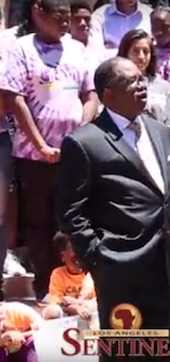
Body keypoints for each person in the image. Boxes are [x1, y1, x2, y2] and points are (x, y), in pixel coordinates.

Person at [55, 57, 170, 361]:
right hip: (120, 269)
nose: (142, 86)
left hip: (166, 265)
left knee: (160, 351)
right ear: (108, 93)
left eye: (142, 79)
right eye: (131, 82)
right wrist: (100, 258)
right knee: (124, 352)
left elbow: (169, 189)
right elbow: (70, 212)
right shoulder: (84, 142)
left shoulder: (162, 132)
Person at [1, 0, 98, 300]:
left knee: (72, 219)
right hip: (34, 156)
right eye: (59, 17)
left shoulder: (77, 50)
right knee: (39, 222)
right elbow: (14, 98)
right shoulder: (22, 49)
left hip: (72, 155)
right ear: (38, 13)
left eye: (68, 17)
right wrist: (40, 144)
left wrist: (79, 134)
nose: (66, 23)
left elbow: (90, 94)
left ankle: (77, 285)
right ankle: (46, 286)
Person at [117, 29, 170, 127]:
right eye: (136, 51)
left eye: (146, 52)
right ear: (125, 53)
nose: (141, 57)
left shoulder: (163, 86)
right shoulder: (116, 84)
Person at [41, 232, 96, 321]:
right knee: (51, 311)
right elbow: (56, 300)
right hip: (67, 311)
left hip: (88, 310)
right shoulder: (58, 274)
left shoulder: (92, 273)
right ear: (62, 256)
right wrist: (73, 307)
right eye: (74, 258)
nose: (79, 261)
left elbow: (98, 299)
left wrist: (79, 303)